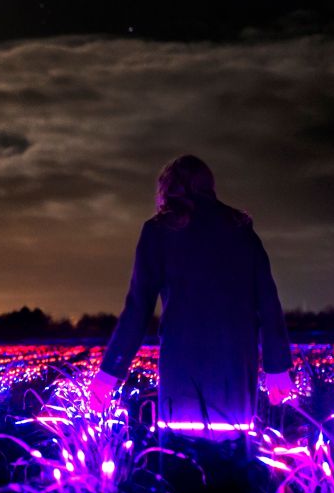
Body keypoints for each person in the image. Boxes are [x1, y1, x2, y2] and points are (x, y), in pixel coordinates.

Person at [90, 155, 294, 430]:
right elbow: (268, 300)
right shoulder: (240, 228)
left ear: (167, 189)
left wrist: (109, 373)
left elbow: (138, 307)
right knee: (232, 455)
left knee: (181, 458)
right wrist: (277, 367)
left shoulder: (159, 230)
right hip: (234, 365)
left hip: (182, 363)